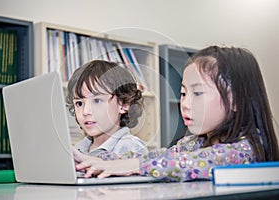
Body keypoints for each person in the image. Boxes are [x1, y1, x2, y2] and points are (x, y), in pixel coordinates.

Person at [72, 46, 279, 182]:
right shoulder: (194, 143)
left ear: (235, 99)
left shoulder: (247, 148)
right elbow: (157, 156)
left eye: (197, 93)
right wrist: (93, 161)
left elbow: (192, 163)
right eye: (183, 93)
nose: (185, 104)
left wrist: (133, 165)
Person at [66, 60, 148, 159]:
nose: (85, 111)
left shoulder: (132, 149)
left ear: (123, 105)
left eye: (97, 101)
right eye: (79, 103)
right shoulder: (79, 148)